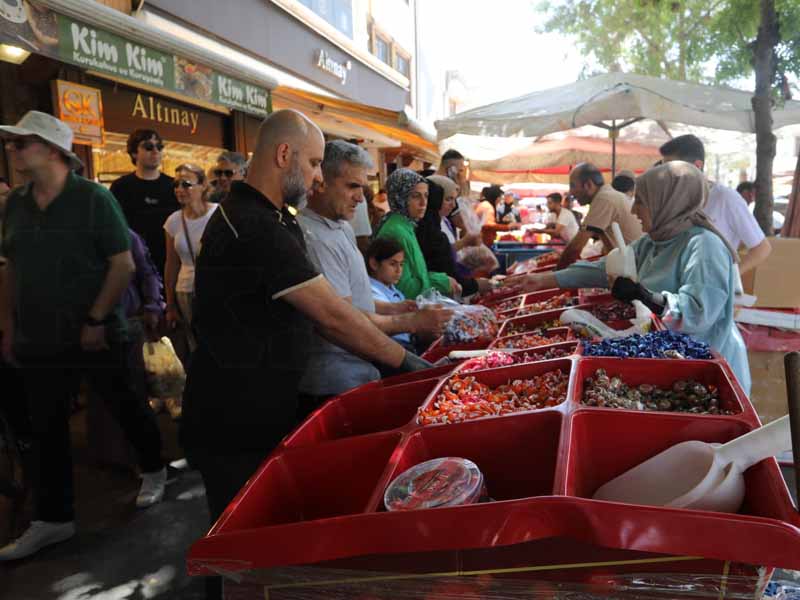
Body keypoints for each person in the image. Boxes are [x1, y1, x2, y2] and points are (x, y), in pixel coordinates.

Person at [180, 110, 432, 600]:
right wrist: (409, 366)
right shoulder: (255, 225)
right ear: (283, 155)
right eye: (315, 163)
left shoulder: (270, 219)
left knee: (259, 550)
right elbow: (331, 317)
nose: (319, 176)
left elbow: (339, 307)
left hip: (260, 409)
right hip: (232, 418)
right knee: (233, 553)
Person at [0, 112, 165, 561]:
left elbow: (122, 263)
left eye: (21, 143)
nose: (12, 150)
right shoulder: (14, 204)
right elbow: (12, 268)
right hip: (39, 337)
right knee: (46, 426)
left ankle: (154, 468)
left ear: (52, 150)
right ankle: (53, 518)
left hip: (97, 333)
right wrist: (9, 327)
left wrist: (94, 319)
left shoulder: (93, 198)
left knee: (125, 405)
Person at [511, 161, 750, 394]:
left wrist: (643, 295)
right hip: (670, 362)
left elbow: (697, 313)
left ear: (666, 203)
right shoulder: (653, 241)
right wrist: (545, 280)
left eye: (641, 202)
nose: (634, 210)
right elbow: (605, 268)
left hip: (708, 373)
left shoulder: (704, 246)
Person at [297, 140, 450, 405]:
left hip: (360, 370)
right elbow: (340, 319)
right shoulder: (314, 238)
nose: (360, 197)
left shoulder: (340, 225)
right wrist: (410, 323)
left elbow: (353, 298)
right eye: (352, 186)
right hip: (335, 384)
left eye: (363, 188)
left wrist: (393, 308)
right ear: (321, 181)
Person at [660, 135, 771, 275]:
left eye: (671, 169)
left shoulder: (726, 198)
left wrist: (730, 277)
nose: (665, 175)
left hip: (711, 289)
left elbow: (762, 248)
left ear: (697, 166)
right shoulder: (674, 199)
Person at [162, 163, 217, 419]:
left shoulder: (218, 214)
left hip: (212, 291)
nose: (179, 189)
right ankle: (201, 403)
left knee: (215, 346)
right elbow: (170, 263)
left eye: (186, 183)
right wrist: (170, 303)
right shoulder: (174, 221)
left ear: (203, 186)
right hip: (185, 291)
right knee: (194, 349)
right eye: (176, 184)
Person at [374, 168, 461, 299]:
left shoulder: (406, 225)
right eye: (415, 196)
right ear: (400, 197)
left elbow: (417, 275)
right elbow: (404, 287)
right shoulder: (395, 231)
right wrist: (441, 282)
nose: (423, 203)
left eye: (426, 196)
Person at [110, 129, 180, 279]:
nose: (155, 151)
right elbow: (114, 227)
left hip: (169, 260)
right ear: (134, 153)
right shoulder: (121, 187)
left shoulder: (173, 185)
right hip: (135, 262)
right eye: (148, 147)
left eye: (159, 147)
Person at [556, 163, 644, 269]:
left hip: (634, 269)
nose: (571, 192)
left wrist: (555, 274)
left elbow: (575, 249)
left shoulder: (604, 198)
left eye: (573, 185)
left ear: (588, 184)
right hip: (628, 265)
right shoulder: (606, 195)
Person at [417, 175, 492, 297]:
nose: (453, 205)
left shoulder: (442, 222)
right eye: (448, 199)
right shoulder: (427, 229)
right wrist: (475, 285)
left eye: (454, 200)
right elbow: (439, 263)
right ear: (435, 199)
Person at [367, 238, 417, 353]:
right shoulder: (371, 291)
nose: (399, 270)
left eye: (401, 264)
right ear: (374, 263)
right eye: (393, 264)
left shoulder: (394, 291)